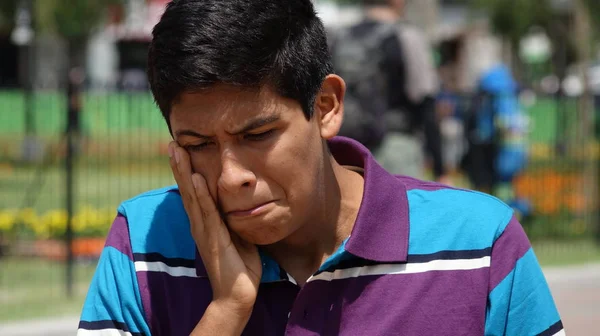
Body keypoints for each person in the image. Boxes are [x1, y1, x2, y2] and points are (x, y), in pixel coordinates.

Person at [78, 1, 563, 335]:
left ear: (326, 106)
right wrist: (226, 311)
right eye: (198, 144)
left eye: (257, 135)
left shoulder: (478, 247)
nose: (230, 178)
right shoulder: (142, 247)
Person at [332, 0, 446, 181]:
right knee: (401, 208)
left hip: (349, 148)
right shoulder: (407, 36)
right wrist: (440, 168)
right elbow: (426, 101)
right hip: (396, 147)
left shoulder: (341, 36)